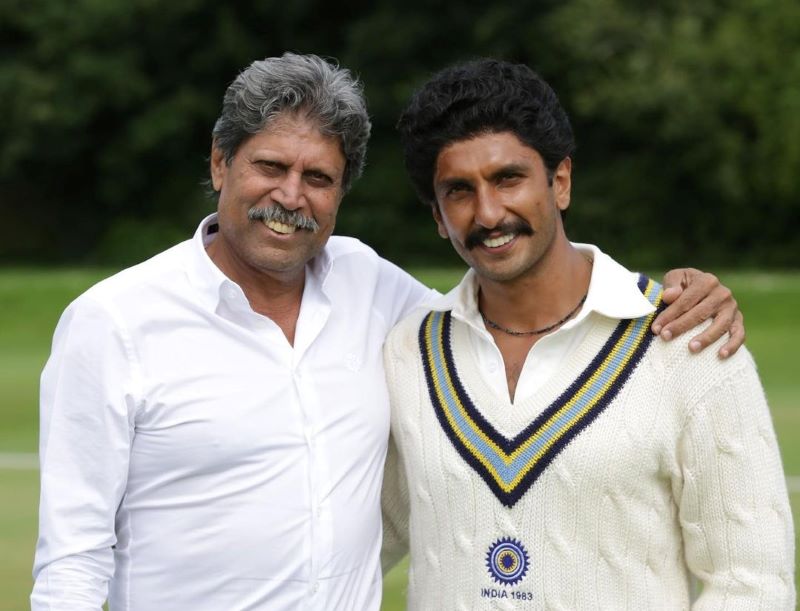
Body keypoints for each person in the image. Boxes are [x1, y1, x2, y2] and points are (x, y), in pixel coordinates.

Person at [32, 53, 746, 610]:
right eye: (270, 166)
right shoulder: (113, 323)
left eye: (319, 178)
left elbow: (502, 314)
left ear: (341, 193)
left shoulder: (372, 287)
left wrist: (663, 294)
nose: (290, 195)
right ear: (221, 162)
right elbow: (71, 559)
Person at [381, 59, 795, 609]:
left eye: (508, 179)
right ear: (437, 216)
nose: (489, 213)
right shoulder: (407, 351)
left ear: (560, 182)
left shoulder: (687, 341)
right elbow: (344, 545)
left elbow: (752, 582)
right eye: (459, 191)